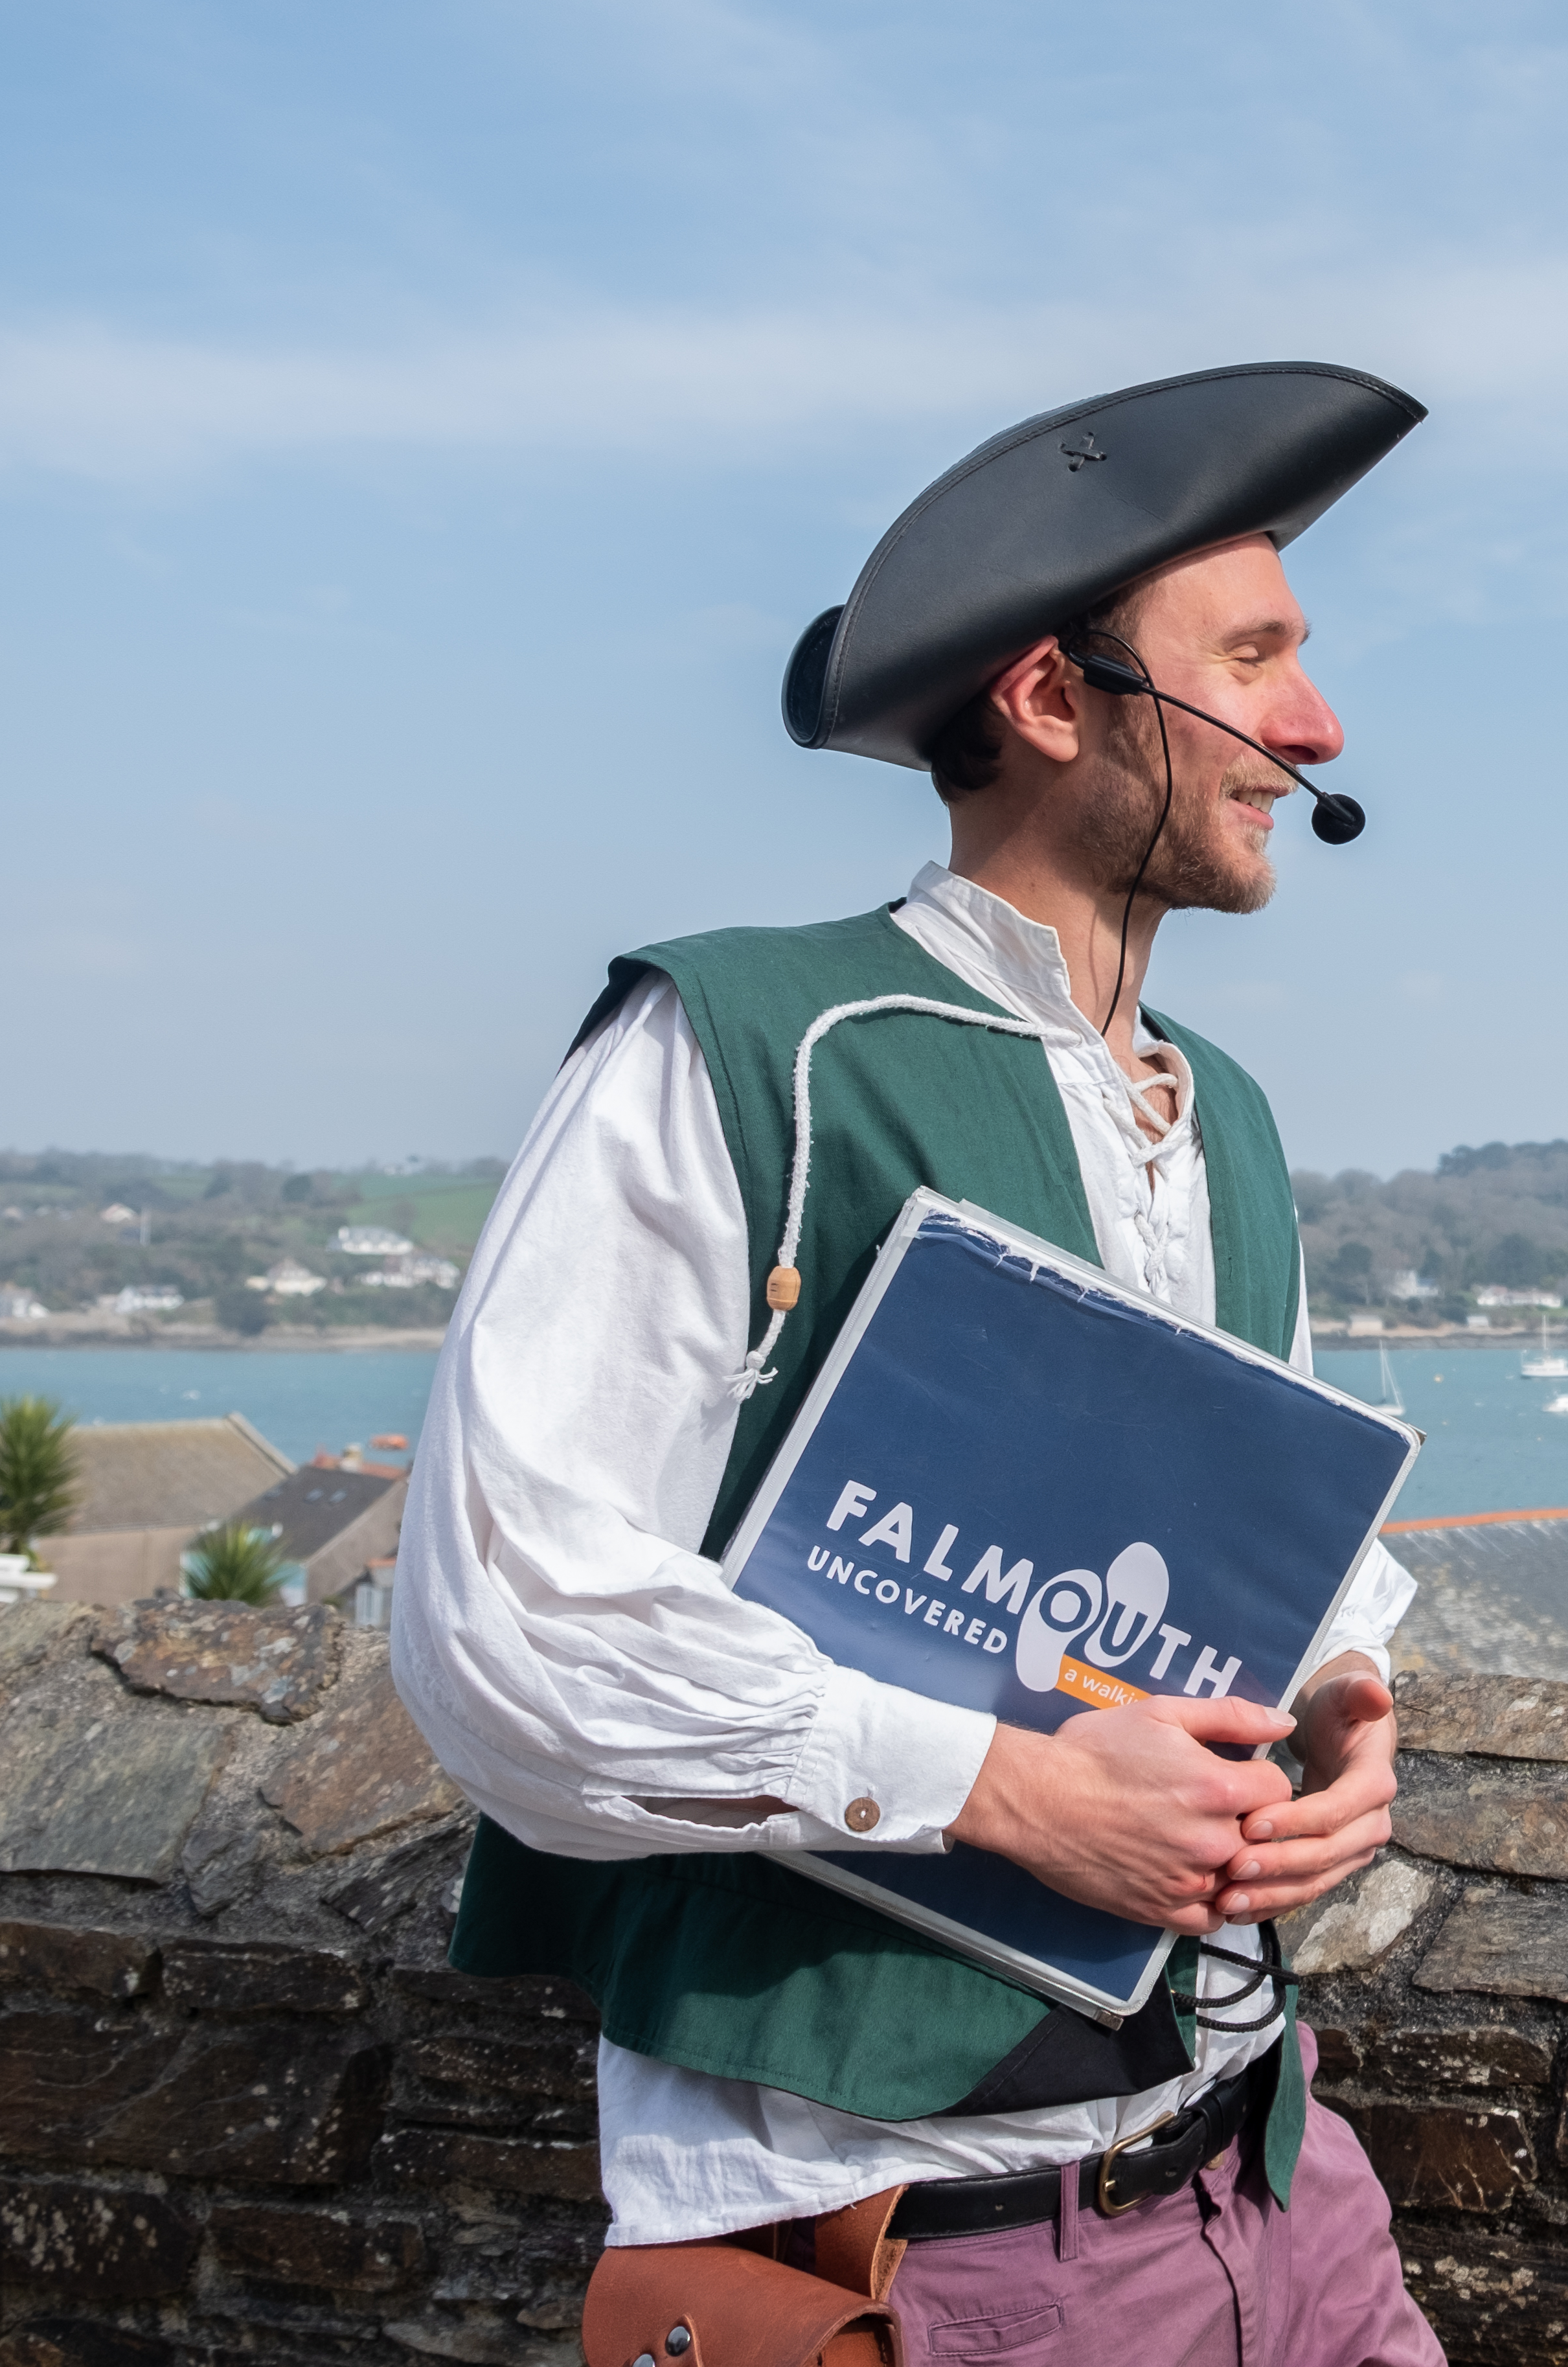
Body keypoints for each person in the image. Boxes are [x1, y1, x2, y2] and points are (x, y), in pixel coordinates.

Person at [392, 363, 1444, 2367]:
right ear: (1055, 701)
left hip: (1280, 2179)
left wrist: (1348, 1703)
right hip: (916, 2249)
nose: (1311, 726)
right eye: (1255, 661)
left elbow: (1290, 1538)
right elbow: (507, 1623)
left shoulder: (1219, 1111)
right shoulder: (735, 1041)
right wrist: (1003, 1790)